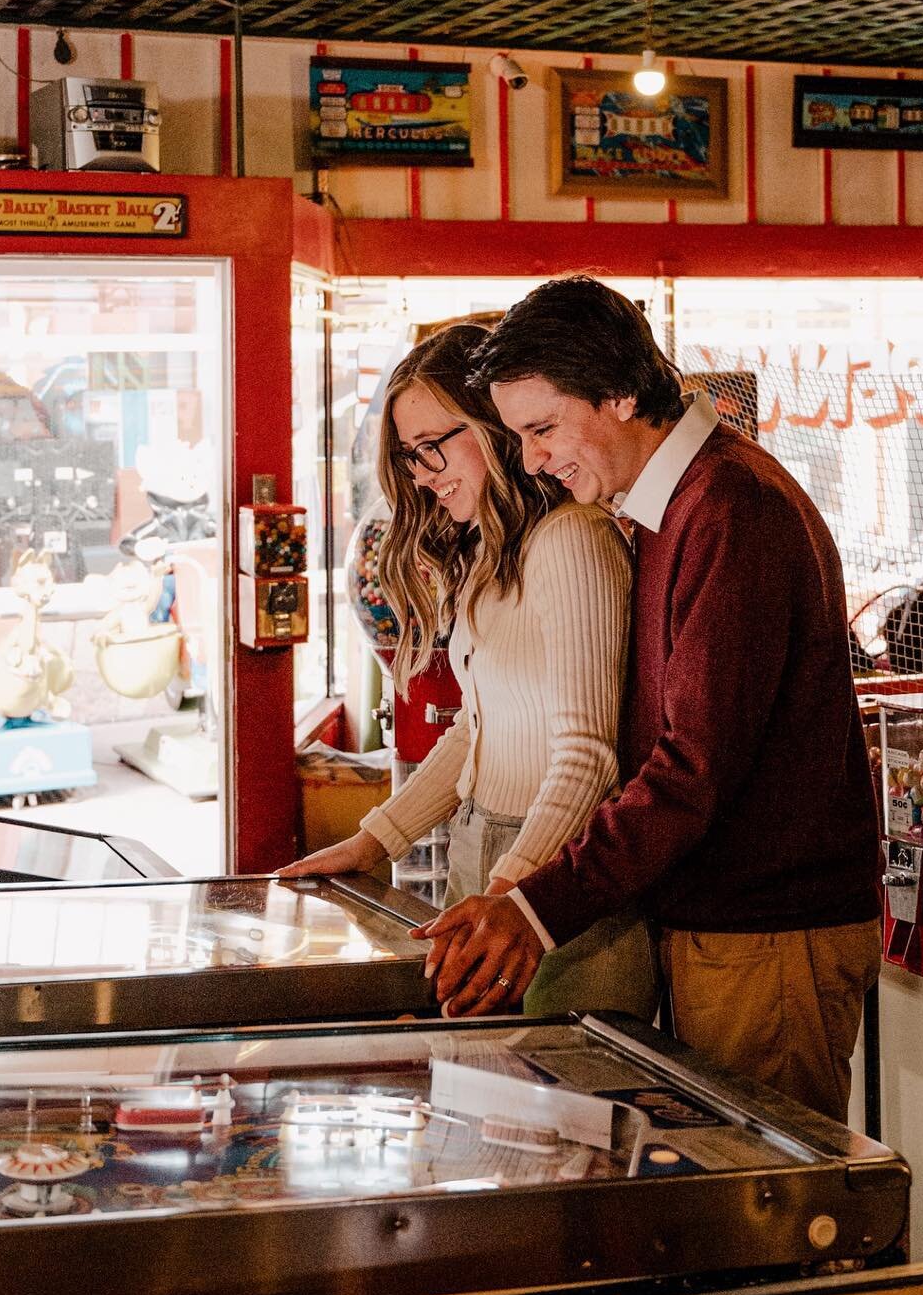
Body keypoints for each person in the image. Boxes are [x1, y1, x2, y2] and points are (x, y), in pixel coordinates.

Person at [413, 279, 882, 1120]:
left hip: (767, 931)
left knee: (772, 1204)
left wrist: (535, 906)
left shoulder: (730, 508)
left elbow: (691, 768)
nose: (532, 461)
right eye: (519, 437)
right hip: (725, 927)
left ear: (622, 393)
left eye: (544, 428)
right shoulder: (679, 504)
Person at [277, 322, 657, 1019]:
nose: (422, 474)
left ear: (493, 426)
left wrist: (512, 895)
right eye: (408, 457)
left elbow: (587, 758)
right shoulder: (489, 554)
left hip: (557, 874)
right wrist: (373, 839)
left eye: (432, 447)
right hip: (487, 853)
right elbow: (474, 736)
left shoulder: (572, 539)